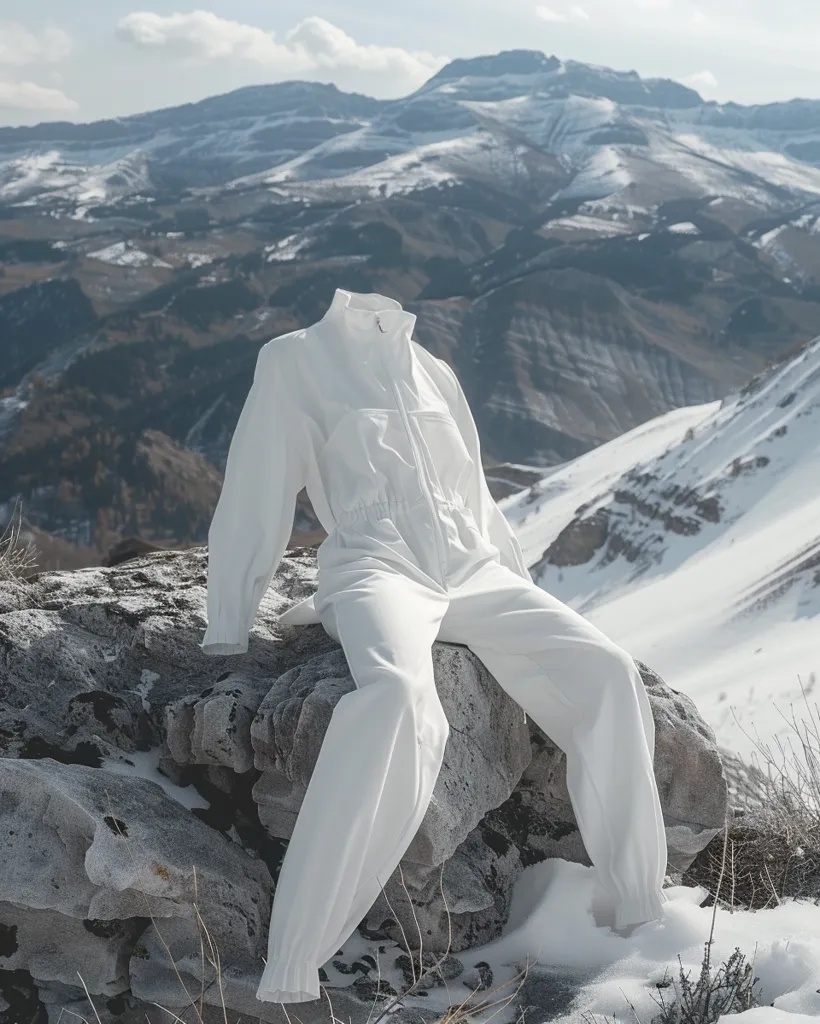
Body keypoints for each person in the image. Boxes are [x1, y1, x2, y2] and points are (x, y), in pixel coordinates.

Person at [201, 289, 668, 1004]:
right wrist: (229, 616)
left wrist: (519, 597)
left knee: (605, 672)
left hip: (472, 569)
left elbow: (475, 497)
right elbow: (256, 488)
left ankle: (635, 902)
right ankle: (297, 953)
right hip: (376, 564)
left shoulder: (433, 369)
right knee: (395, 699)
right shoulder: (295, 360)